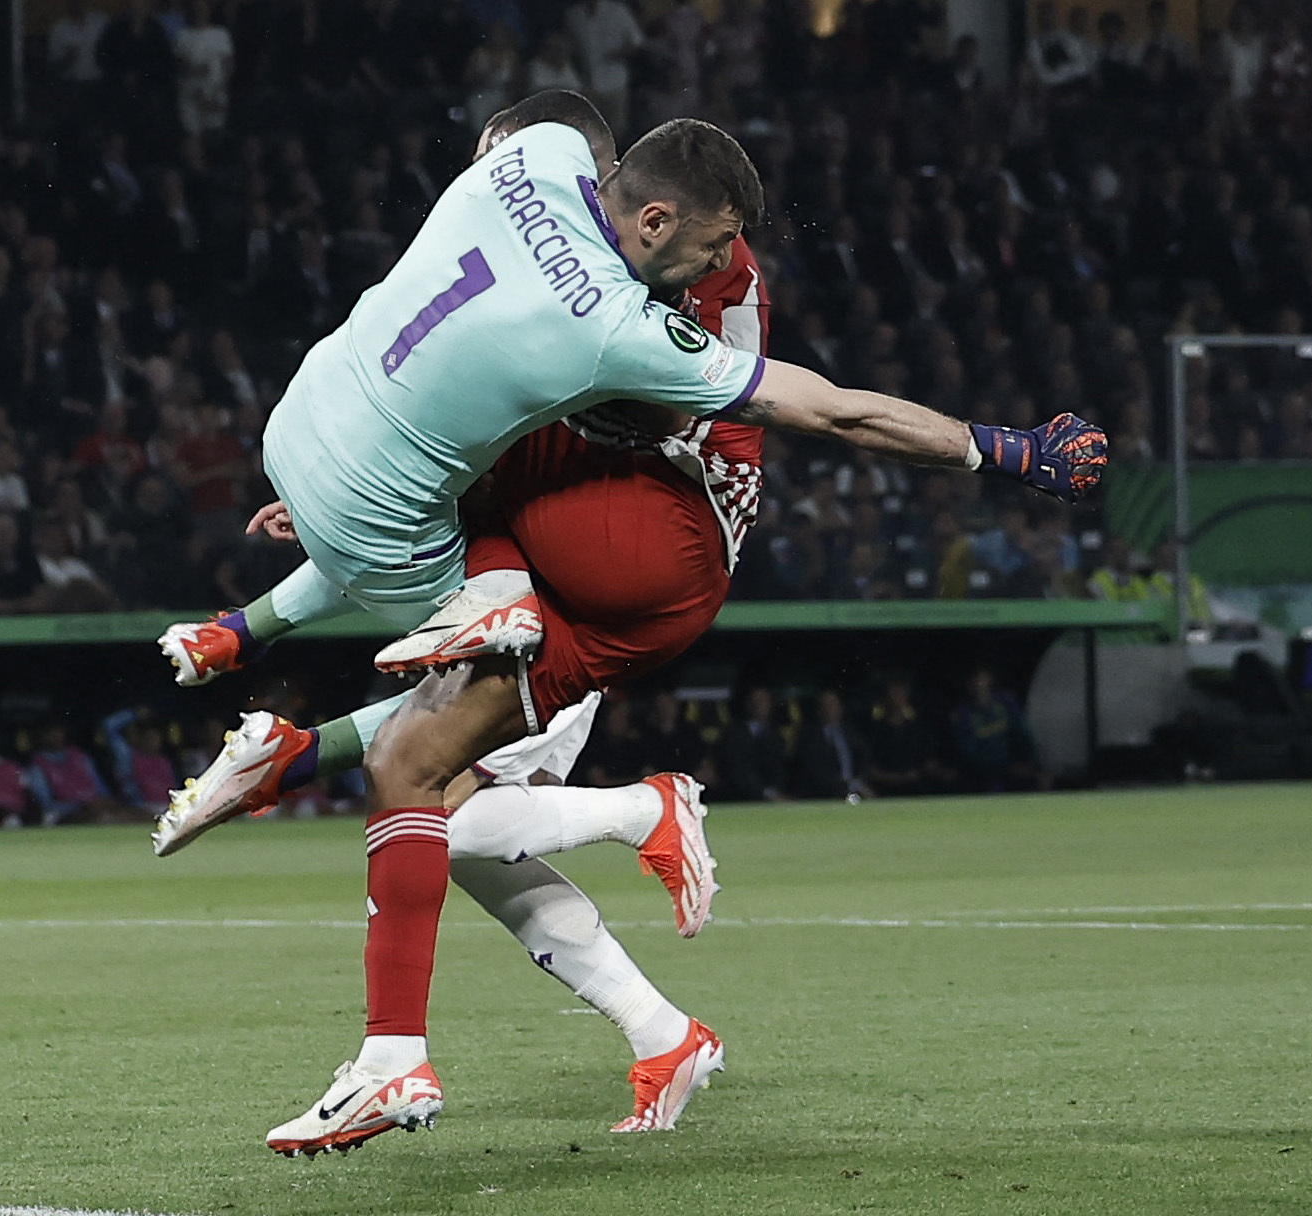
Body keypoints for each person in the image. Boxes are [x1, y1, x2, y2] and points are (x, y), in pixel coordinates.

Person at [157, 98, 1106, 1155]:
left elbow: (793, 405)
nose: (722, 259)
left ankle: (606, 793)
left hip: (656, 532)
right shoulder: (613, 278)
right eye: (712, 241)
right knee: (417, 779)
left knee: (464, 803)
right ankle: (486, 1046)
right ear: (650, 215)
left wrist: (1001, 450)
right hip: (612, 536)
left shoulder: (591, 229)